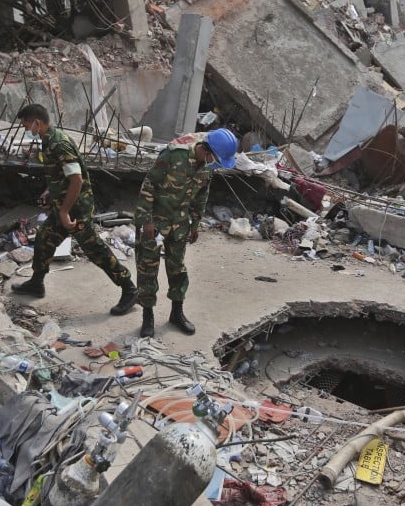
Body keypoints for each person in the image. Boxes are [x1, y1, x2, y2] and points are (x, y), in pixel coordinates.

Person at [12, 104, 139, 312]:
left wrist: (63, 212)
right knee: (44, 239)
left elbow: (77, 180)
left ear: (37, 123)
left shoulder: (59, 143)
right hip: (64, 203)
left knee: (94, 248)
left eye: (26, 124)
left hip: (76, 207)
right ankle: (36, 283)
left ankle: (129, 289)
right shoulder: (49, 140)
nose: (26, 129)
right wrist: (48, 192)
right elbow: (60, 174)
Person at [133, 128, 238, 338]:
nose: (215, 165)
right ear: (206, 150)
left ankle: (176, 313)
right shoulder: (174, 154)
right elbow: (149, 184)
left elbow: (202, 194)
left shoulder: (208, 166)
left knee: (177, 269)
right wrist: (146, 221)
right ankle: (147, 316)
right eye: (215, 160)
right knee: (148, 268)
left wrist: (195, 222)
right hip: (156, 219)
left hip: (180, 221)